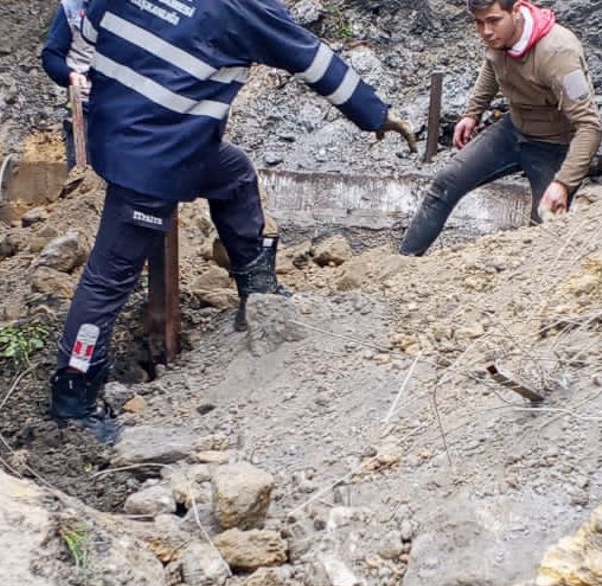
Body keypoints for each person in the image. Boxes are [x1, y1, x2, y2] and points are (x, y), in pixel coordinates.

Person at [50, 0, 416, 435]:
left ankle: (257, 287)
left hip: (126, 134)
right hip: (154, 160)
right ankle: (74, 392)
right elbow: (311, 58)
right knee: (110, 276)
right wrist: (375, 115)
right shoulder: (240, 7)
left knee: (234, 175)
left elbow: (87, 34)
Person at [399, 0, 602, 256]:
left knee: (545, 227)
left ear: (516, 11)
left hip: (554, 143)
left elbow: (590, 126)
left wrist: (563, 183)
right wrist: (472, 113)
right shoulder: (498, 39)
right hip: (513, 129)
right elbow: (492, 63)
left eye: (494, 20)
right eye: (479, 22)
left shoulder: (559, 53)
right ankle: (402, 263)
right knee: (444, 184)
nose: (486, 31)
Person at [40, 0, 94, 170]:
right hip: (85, 109)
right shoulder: (73, 7)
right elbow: (51, 55)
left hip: (127, 114)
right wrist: (70, 76)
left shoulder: (137, 8)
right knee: (83, 178)